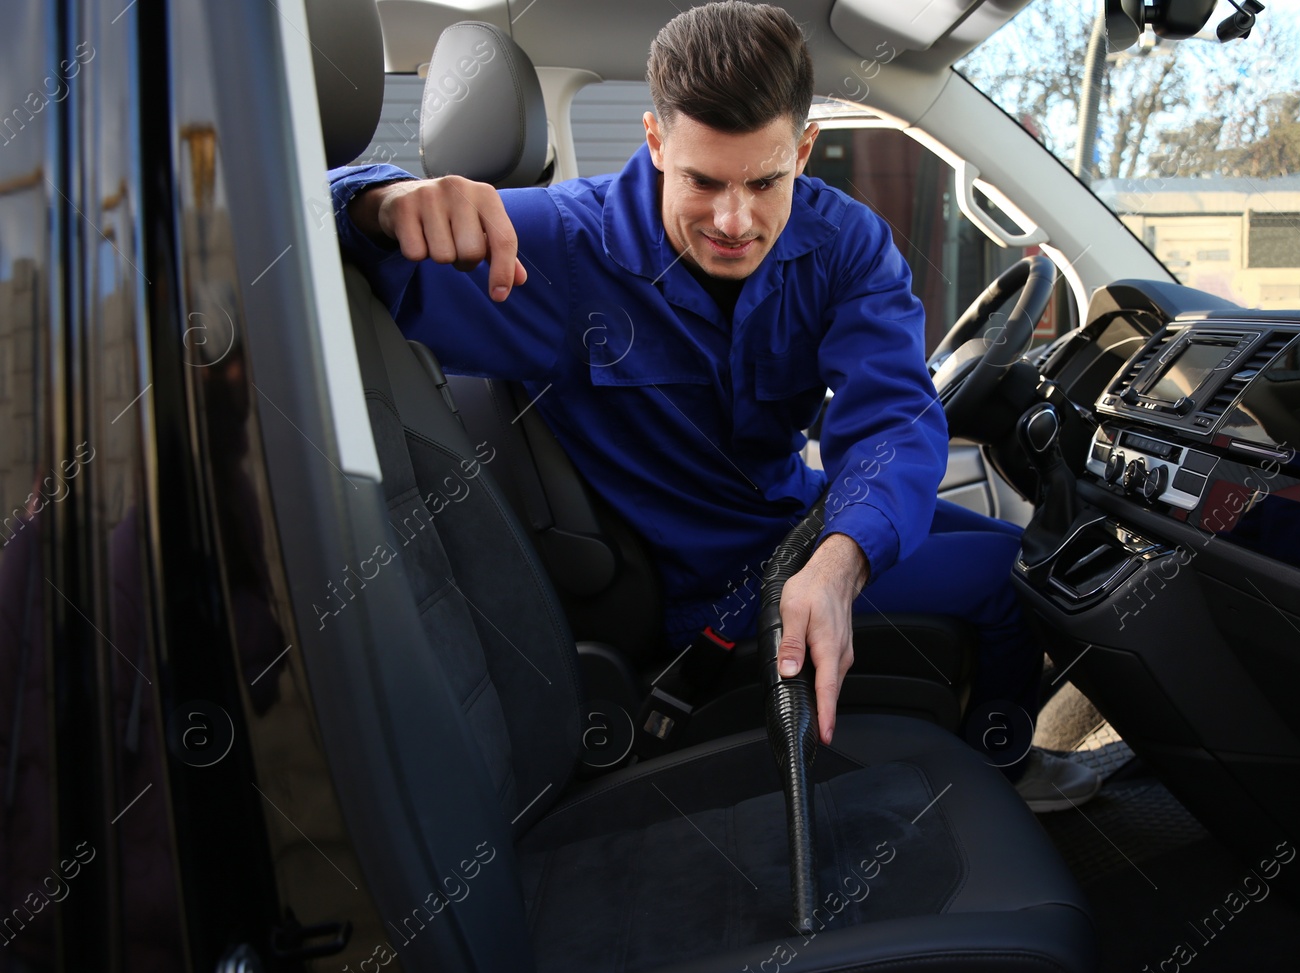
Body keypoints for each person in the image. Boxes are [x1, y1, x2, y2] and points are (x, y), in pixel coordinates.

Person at [328, 1, 1098, 810]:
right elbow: (305, 223)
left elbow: (893, 419)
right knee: (1016, 580)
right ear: (656, 142)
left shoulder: (848, 247)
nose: (735, 221)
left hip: (797, 518)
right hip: (716, 583)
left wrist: (840, 562)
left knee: (1030, 546)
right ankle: (1005, 762)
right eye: (702, 181)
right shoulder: (558, 245)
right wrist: (379, 200)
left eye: (766, 181)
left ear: (803, 149)